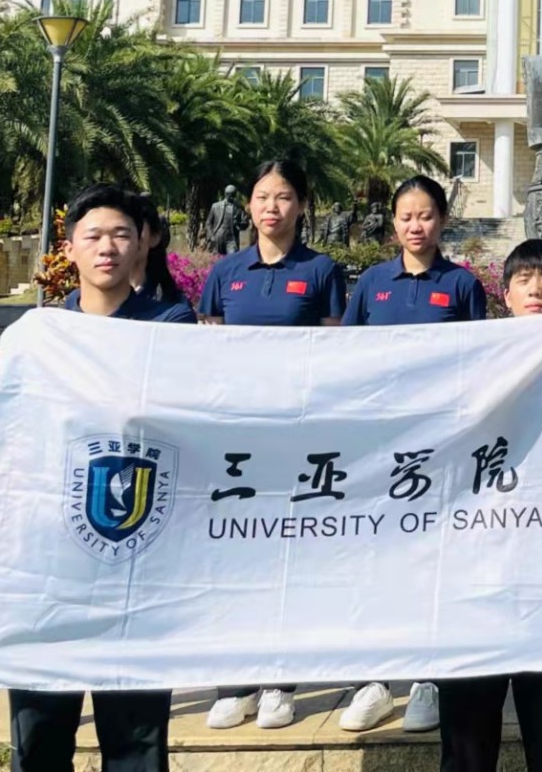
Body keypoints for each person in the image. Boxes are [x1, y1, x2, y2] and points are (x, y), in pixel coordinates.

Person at [0, 184, 194, 772]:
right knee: (39, 744)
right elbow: (15, 468)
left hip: (136, 576)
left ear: (143, 245)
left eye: (121, 234)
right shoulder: (39, 339)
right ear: (68, 247)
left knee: (136, 749)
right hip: (46, 575)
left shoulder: (170, 329)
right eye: (93, 235)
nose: (108, 247)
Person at [436, 237, 542, 772]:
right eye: (524, 280)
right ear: (506, 294)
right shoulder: (470, 366)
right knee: (467, 750)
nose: (536, 290)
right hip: (475, 586)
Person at [198, 159, 347, 731]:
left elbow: (335, 356)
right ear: (249, 205)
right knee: (235, 559)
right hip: (237, 440)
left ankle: (281, 682)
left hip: (298, 440)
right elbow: (208, 351)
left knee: (288, 560)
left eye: (283, 197)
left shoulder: (321, 271)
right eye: (262, 196)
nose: (271, 207)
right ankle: (234, 683)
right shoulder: (226, 271)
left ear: (301, 206)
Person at [338, 174, 487, 735]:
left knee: (433, 558)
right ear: (394, 222)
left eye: (425, 215)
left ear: (442, 220)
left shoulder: (462, 284)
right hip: (380, 447)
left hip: (440, 448)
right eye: (406, 216)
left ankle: (429, 676)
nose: (415, 225)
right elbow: (346, 357)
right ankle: (375, 680)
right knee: (376, 557)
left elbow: (481, 363)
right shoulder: (373, 284)